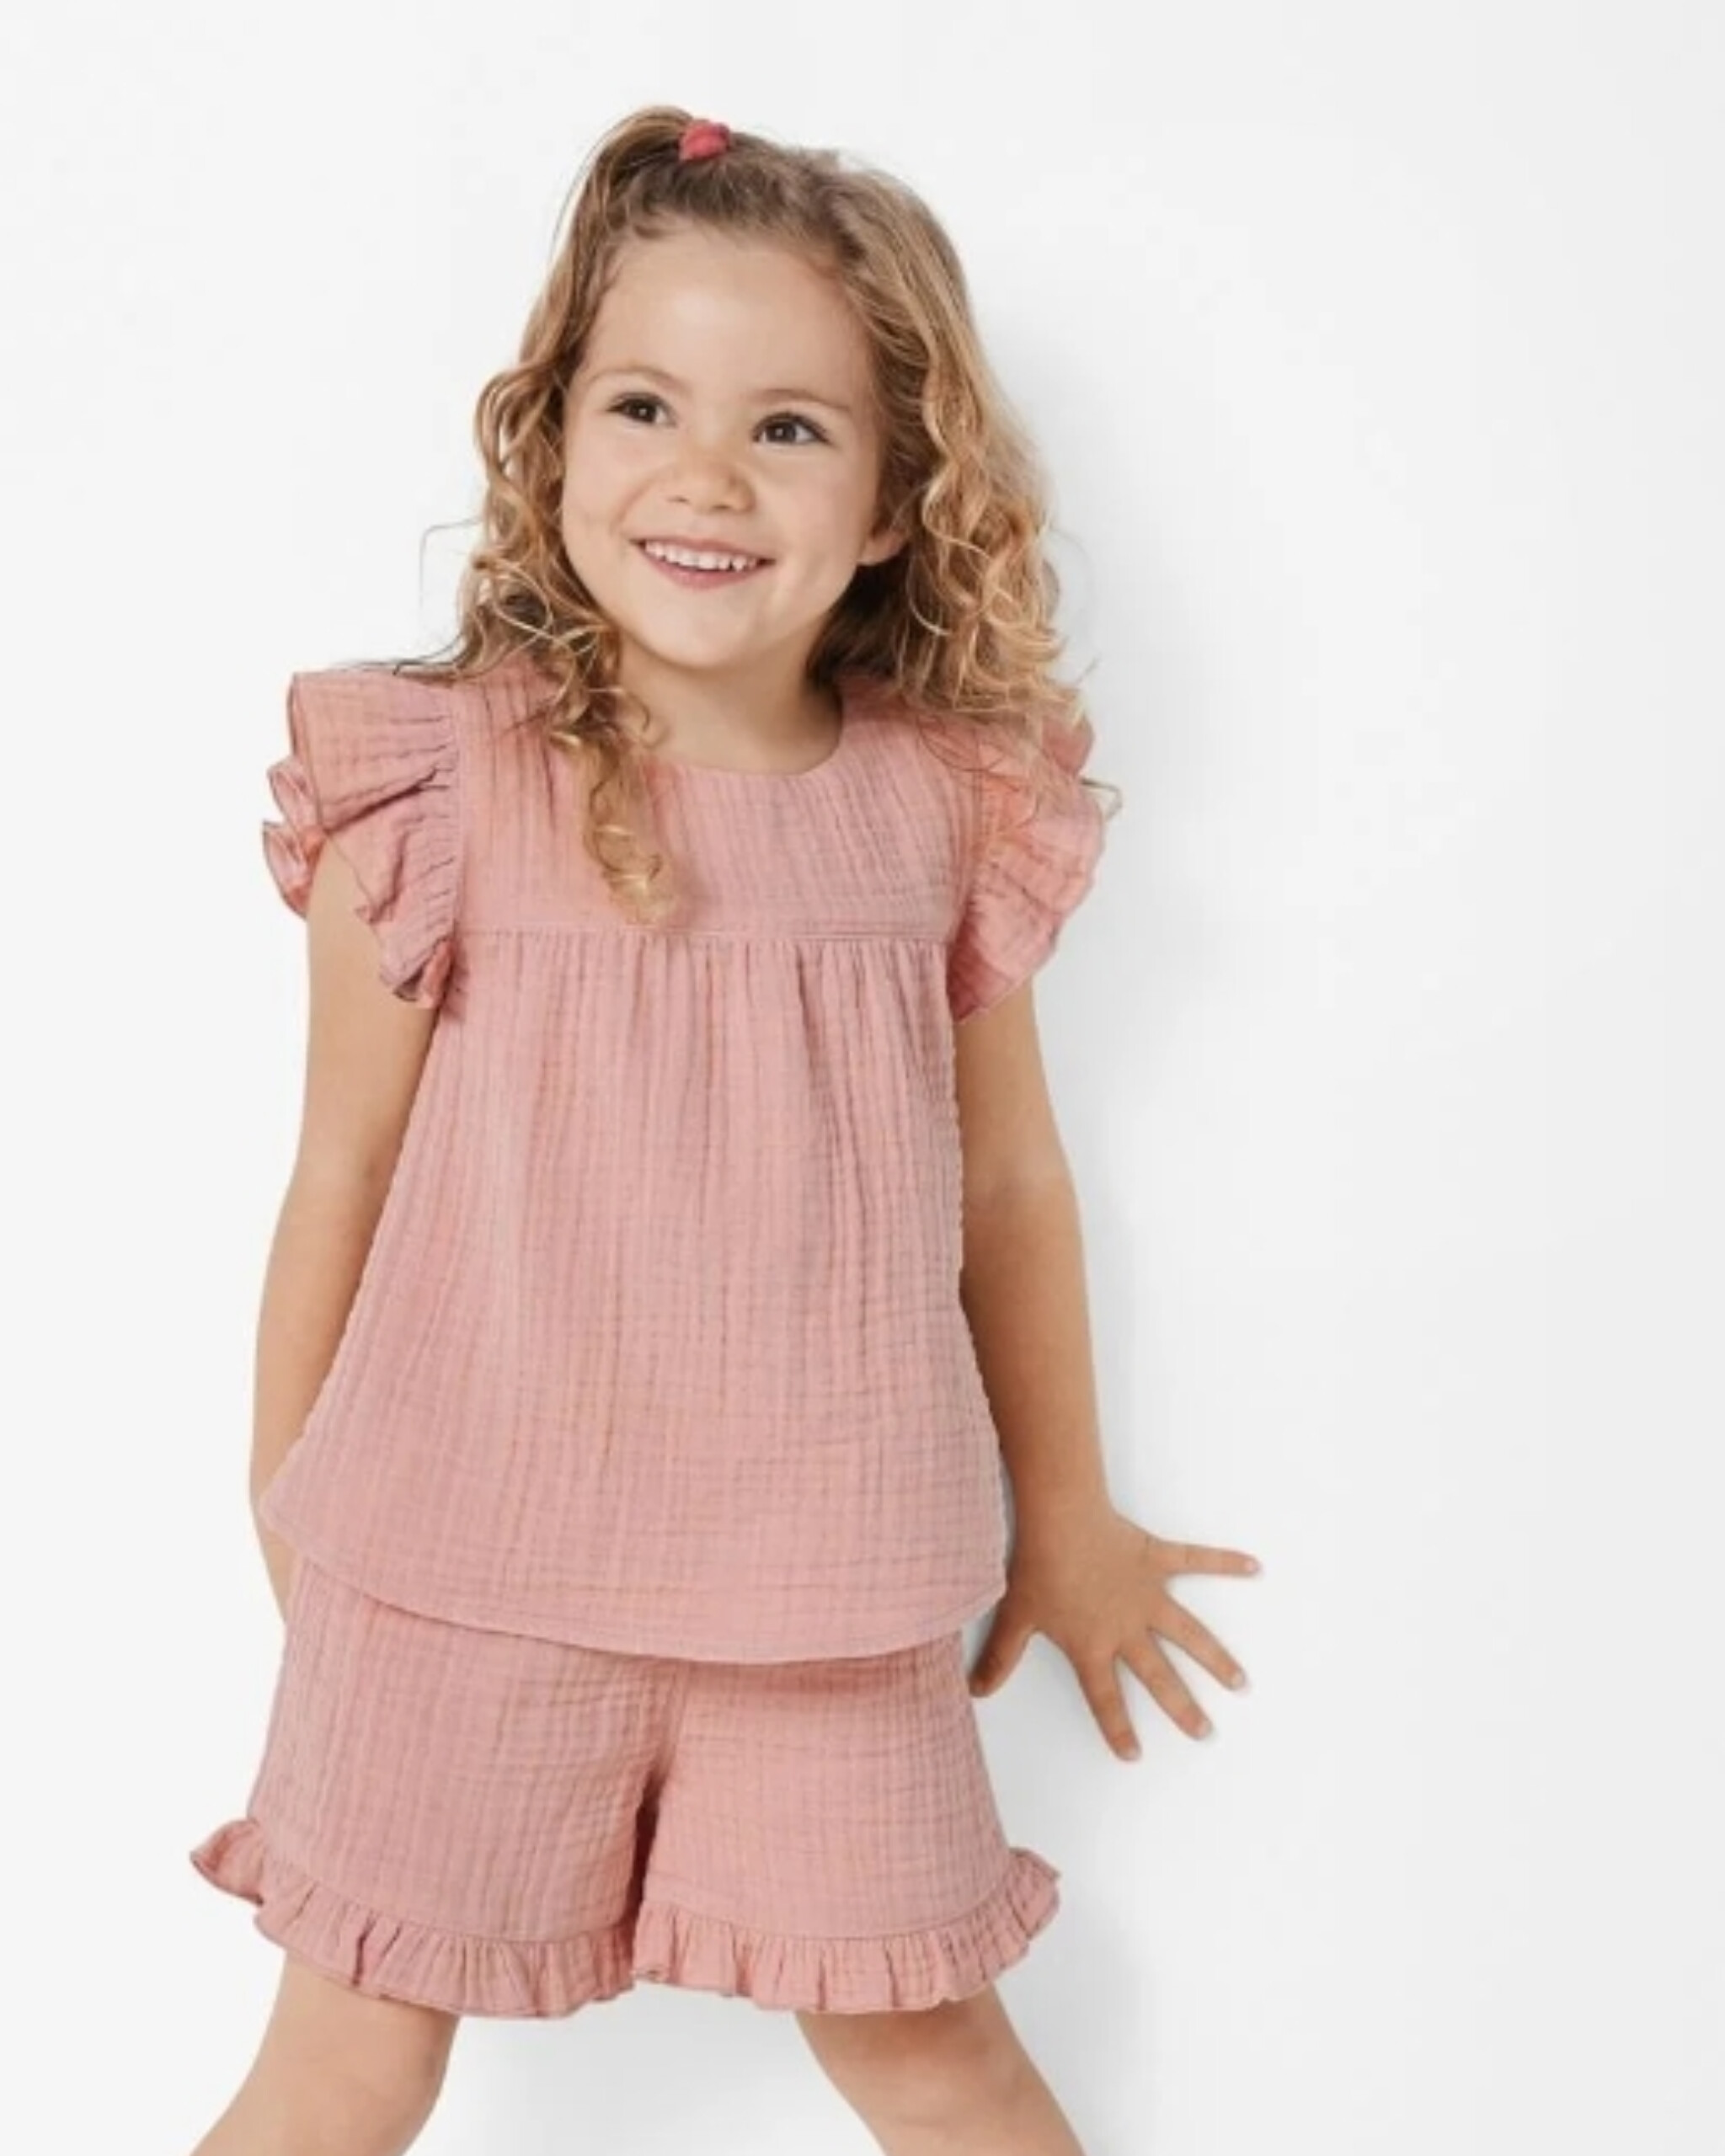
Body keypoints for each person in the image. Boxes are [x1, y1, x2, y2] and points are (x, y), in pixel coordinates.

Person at [185, 104, 1261, 2156]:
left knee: (937, 2055)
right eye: (644, 405)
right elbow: (341, 1172)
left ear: (891, 501)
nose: (704, 473)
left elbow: (1008, 1180)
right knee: (346, 2066)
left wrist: (1068, 1509)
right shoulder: (436, 788)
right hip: (461, 1585)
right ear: (550, 444)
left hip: (831, 1601)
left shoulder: (940, 804)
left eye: (787, 427)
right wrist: (287, 1506)